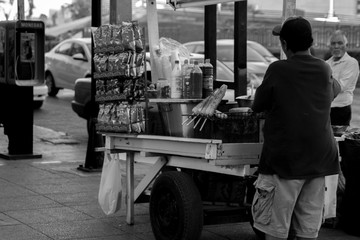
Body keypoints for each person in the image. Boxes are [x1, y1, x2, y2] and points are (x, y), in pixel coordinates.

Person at [251, 16, 341, 240]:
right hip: (320, 160)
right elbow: (335, 90)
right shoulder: (323, 68)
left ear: (284, 44)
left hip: (285, 161)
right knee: (306, 232)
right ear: (310, 42)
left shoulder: (278, 69)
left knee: (275, 230)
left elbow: (258, 105)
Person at [326, 30, 359, 126]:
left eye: (340, 43)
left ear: (346, 45)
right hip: (326, 109)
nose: (336, 46)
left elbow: (340, 86)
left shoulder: (351, 63)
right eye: (333, 43)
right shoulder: (327, 63)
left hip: (341, 110)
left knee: (339, 139)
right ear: (329, 46)